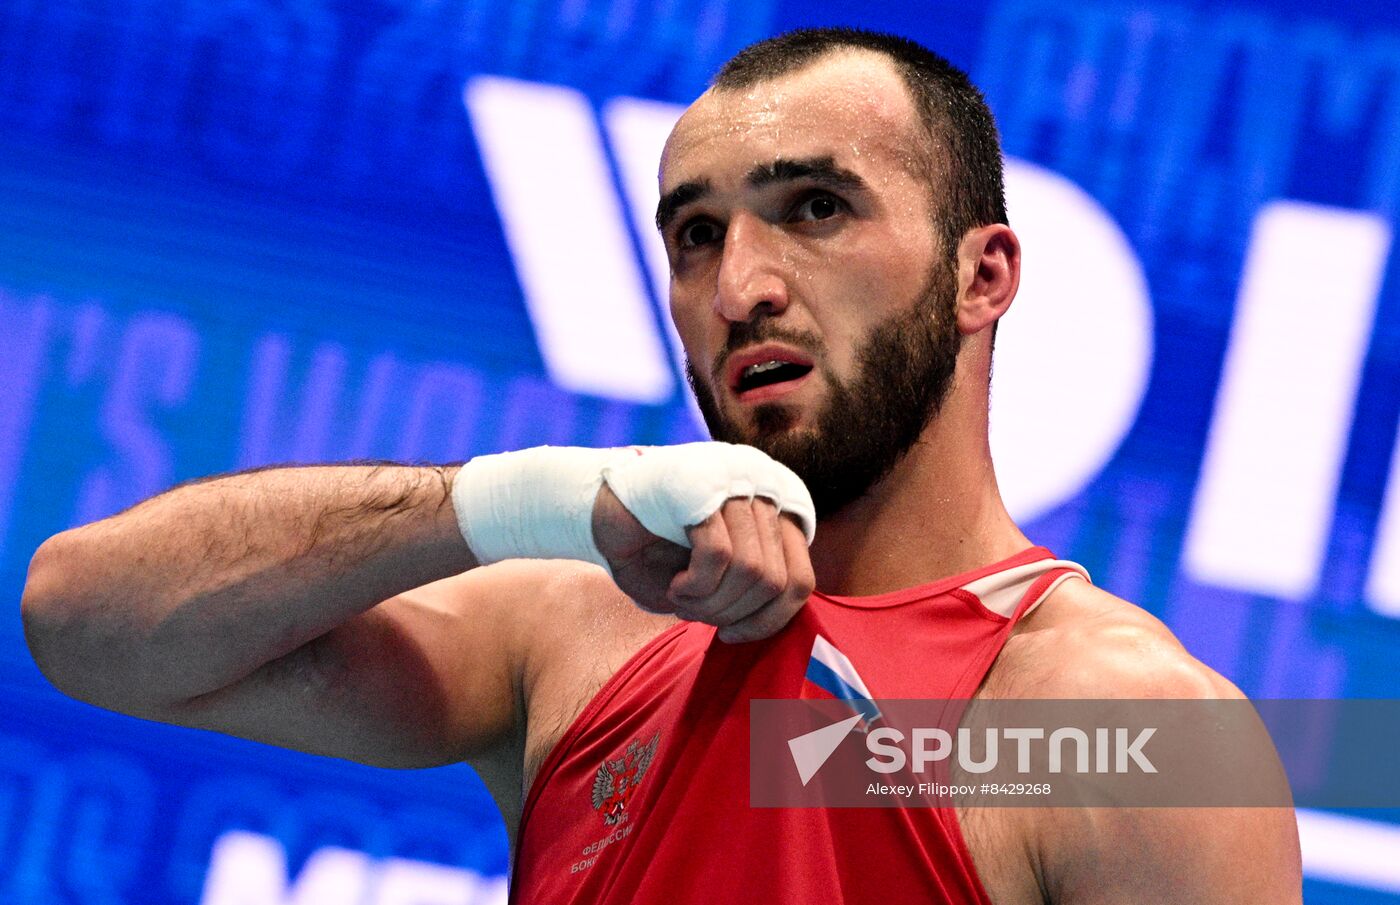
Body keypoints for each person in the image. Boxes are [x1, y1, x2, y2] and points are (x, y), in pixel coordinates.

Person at [21, 27, 1301, 905]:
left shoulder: (1123, 727)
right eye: (696, 235)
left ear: (982, 276)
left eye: (814, 208)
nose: (740, 286)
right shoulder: (579, 615)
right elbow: (87, 623)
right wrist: (517, 500)